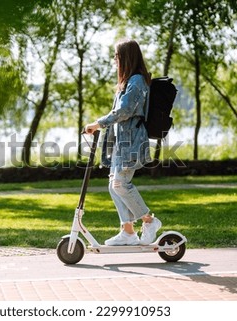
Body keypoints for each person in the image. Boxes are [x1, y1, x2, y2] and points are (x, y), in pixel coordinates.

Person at [84, 39, 161, 246]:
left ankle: (149, 221)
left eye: (117, 56)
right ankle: (128, 232)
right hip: (121, 143)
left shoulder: (136, 81)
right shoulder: (128, 82)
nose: (115, 60)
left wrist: (97, 123)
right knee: (113, 185)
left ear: (126, 58)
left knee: (120, 184)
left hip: (133, 142)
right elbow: (119, 114)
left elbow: (124, 111)